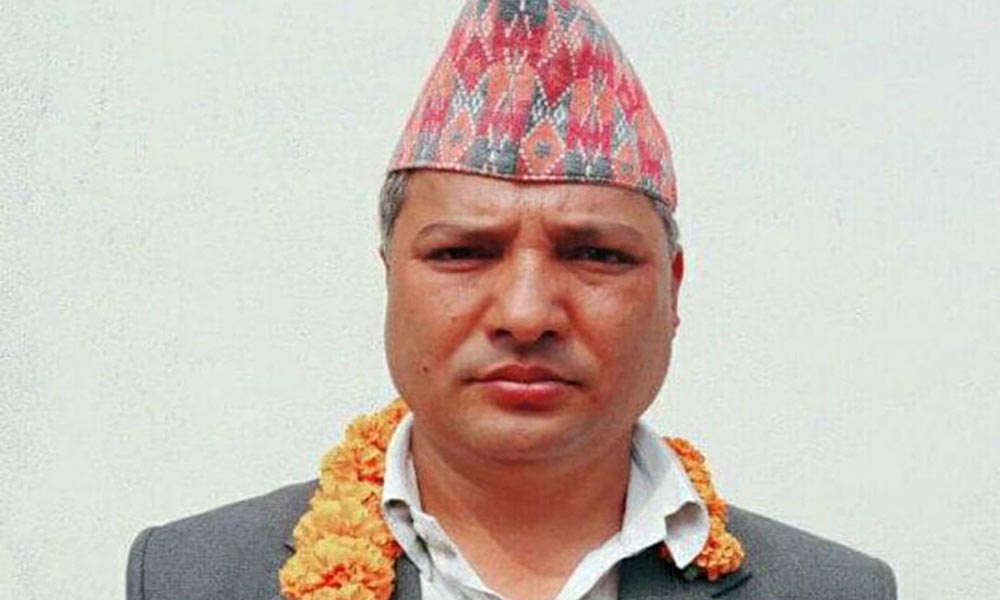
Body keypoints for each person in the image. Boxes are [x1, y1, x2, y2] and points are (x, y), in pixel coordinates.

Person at [126, 1, 896, 599]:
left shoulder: (834, 591)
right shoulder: (194, 578)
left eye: (595, 255)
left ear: (672, 290)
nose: (526, 315)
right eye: (462, 253)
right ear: (391, 277)